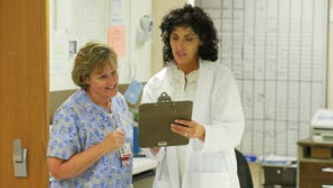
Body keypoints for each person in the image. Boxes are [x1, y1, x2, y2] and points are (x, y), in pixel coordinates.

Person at [141, 4, 245, 188]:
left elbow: (234, 130)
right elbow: (149, 144)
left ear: (201, 40)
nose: (180, 46)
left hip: (210, 178)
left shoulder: (220, 77)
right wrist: (153, 145)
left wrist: (202, 132)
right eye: (175, 38)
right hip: (169, 179)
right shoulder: (155, 84)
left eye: (188, 39)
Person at [47, 42, 133, 188]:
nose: (112, 81)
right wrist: (102, 148)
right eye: (103, 77)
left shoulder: (119, 101)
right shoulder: (71, 112)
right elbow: (57, 170)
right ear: (86, 78)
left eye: (114, 73)